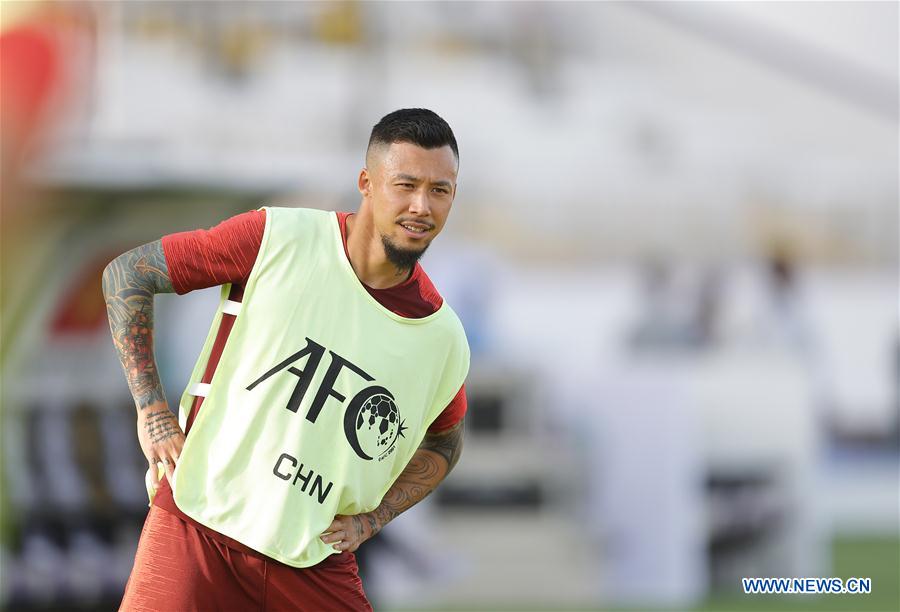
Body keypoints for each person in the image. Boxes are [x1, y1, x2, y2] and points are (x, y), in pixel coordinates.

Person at [102, 108, 470, 611]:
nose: (421, 206)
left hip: (313, 564)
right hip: (196, 529)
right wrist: (151, 410)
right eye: (404, 185)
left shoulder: (442, 338)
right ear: (367, 182)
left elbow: (446, 444)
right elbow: (129, 274)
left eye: (440, 191)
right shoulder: (277, 237)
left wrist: (373, 520)